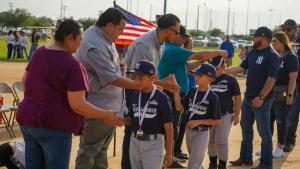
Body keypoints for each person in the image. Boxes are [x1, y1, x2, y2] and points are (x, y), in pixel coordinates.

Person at [16, 19, 123, 169]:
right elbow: (78, 105)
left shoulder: (40, 52)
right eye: (79, 39)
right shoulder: (72, 65)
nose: (80, 44)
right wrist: (105, 115)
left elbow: (24, 81)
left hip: (28, 119)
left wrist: (39, 103)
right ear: (69, 38)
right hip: (54, 125)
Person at [75, 8, 140, 169]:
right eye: (121, 29)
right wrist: (138, 85)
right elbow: (110, 77)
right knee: (89, 151)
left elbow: (114, 70)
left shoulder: (103, 38)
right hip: (98, 108)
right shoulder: (94, 43)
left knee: (100, 151)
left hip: (108, 107)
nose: (122, 33)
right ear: (109, 26)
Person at [158, 25, 228, 162]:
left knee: (177, 126)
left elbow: (188, 67)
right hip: (172, 93)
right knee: (173, 127)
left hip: (176, 93)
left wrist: (201, 63)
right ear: (176, 35)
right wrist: (218, 52)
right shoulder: (173, 49)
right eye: (183, 37)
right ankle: (169, 158)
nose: (184, 40)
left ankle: (173, 154)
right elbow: (200, 54)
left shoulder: (172, 50)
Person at [123, 13, 182, 168]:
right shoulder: (144, 45)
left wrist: (159, 85)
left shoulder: (160, 45)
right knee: (132, 130)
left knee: (152, 125)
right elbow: (137, 79)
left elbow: (149, 77)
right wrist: (163, 84)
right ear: (168, 30)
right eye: (176, 31)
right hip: (132, 91)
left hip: (145, 90)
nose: (177, 35)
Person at [227, 27, 281, 169]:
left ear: (263, 38)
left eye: (255, 37)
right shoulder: (252, 52)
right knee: (246, 129)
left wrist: (261, 97)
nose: (252, 39)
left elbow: (271, 79)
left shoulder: (272, 55)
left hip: (262, 100)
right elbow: (241, 68)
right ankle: (246, 158)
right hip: (248, 97)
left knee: (264, 132)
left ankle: (266, 163)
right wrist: (223, 72)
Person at [122, 60, 174, 169]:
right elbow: (133, 118)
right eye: (135, 77)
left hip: (153, 144)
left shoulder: (162, 98)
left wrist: (169, 152)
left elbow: (168, 127)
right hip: (135, 141)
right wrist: (121, 120)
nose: (137, 81)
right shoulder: (135, 95)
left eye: (141, 78)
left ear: (153, 78)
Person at [177, 63, 221, 169]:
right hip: (189, 132)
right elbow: (179, 107)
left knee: (193, 164)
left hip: (202, 133)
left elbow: (217, 121)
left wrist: (199, 121)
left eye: (200, 75)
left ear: (210, 79)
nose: (196, 77)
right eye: (196, 74)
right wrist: (175, 92)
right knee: (196, 163)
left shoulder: (212, 97)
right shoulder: (192, 91)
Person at [207, 56, 242, 169]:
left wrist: (236, 115)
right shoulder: (207, 79)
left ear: (223, 67)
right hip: (209, 115)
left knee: (221, 141)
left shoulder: (230, 80)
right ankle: (212, 163)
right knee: (210, 140)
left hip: (225, 114)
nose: (213, 71)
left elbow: (237, 98)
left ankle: (222, 164)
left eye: (216, 69)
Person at [268, 32, 299, 158]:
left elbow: (293, 78)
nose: (273, 44)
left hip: (284, 93)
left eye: (274, 41)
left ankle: (280, 146)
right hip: (271, 93)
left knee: (281, 121)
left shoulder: (291, 57)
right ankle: (266, 146)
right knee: (267, 121)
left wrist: (290, 95)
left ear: (282, 42)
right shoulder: (273, 55)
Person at [282, 19, 300, 152]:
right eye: (285, 29)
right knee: (291, 114)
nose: (286, 32)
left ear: (295, 29)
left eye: (289, 29)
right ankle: (288, 141)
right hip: (293, 83)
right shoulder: (285, 43)